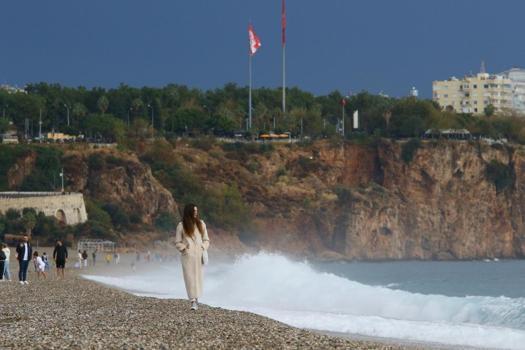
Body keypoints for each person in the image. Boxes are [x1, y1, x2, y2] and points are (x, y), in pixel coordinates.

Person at [174, 203, 210, 310]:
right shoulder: (181, 225)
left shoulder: (201, 224)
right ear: (189, 212)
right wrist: (184, 248)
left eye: (196, 210)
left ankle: (197, 298)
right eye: (194, 211)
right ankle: (193, 301)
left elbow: (206, 239)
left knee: (198, 278)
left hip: (199, 255)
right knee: (189, 278)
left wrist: (203, 247)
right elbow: (177, 242)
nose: (196, 212)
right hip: (187, 256)